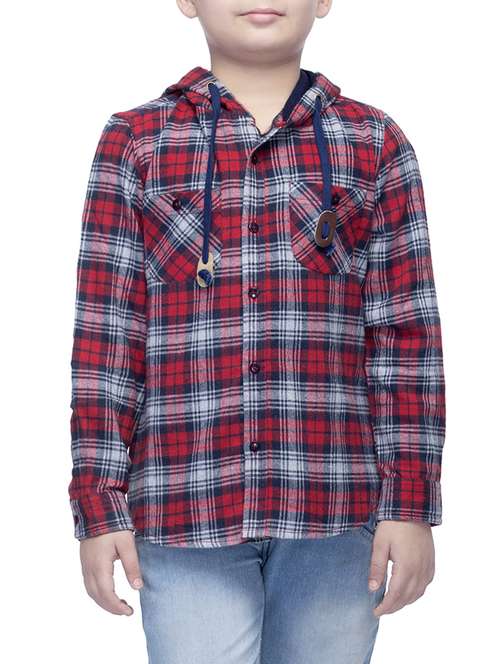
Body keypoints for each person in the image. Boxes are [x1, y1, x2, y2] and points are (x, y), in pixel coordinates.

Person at [68, 1, 446, 662]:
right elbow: (107, 340)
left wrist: (410, 504)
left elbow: (404, 336)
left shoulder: (375, 142)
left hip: (337, 512)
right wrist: (99, 504)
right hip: (184, 511)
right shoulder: (135, 142)